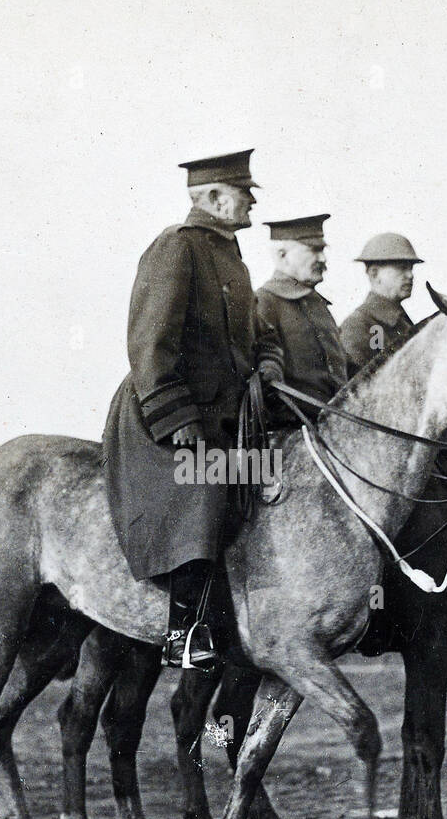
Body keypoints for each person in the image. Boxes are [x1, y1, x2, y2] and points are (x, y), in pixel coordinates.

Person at [102, 149, 283, 671]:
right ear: (212, 198)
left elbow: (262, 334)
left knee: (267, 482)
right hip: (164, 415)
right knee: (204, 493)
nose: (250, 201)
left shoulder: (233, 258)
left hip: (228, 416)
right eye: (244, 193)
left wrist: (268, 366)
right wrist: (179, 419)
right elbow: (149, 343)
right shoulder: (175, 248)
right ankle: (184, 632)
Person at [253, 214, 350, 406]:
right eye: (314, 250)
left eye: (322, 250)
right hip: (295, 426)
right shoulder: (264, 301)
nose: (322, 258)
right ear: (282, 255)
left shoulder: (318, 305)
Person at [338, 232, 424, 371]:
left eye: (411, 268)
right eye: (402, 268)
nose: (410, 275)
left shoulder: (401, 321)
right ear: (374, 273)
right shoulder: (358, 326)